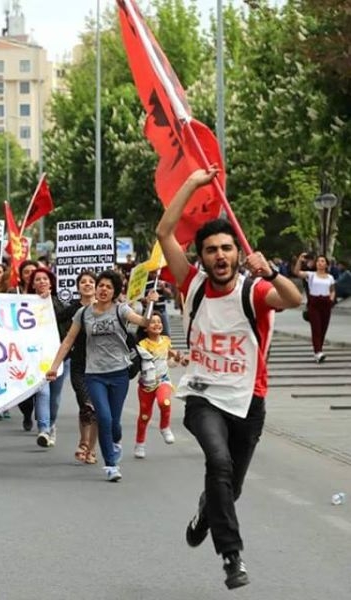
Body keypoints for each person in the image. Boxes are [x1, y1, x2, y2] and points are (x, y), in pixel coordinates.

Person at [157, 167, 301, 590]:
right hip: (204, 396)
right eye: (211, 250)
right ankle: (232, 557)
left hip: (248, 401)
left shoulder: (253, 290)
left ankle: (207, 513)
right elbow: (165, 232)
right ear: (199, 256)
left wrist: (271, 272)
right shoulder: (192, 285)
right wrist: (194, 183)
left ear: (237, 254)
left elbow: (292, 299)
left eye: (226, 249)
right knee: (217, 463)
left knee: (228, 487)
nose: (219, 256)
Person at [45, 269, 154, 482]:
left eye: (108, 287)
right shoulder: (83, 313)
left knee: (114, 422)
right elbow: (68, 341)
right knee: (102, 417)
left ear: (114, 291)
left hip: (119, 373)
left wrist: (150, 303)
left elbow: (145, 323)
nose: (103, 289)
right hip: (94, 373)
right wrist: (54, 366)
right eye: (101, 285)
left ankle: (115, 442)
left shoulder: (121, 310)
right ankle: (111, 465)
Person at [133, 312, 187, 459]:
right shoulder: (141, 345)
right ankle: (140, 444)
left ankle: (164, 427)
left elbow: (169, 361)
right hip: (146, 383)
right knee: (144, 416)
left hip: (163, 380)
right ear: (145, 327)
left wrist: (177, 359)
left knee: (165, 402)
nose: (157, 324)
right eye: (152, 322)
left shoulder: (166, 340)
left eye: (159, 322)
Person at [26, 267, 69, 449]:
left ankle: (51, 425)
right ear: (33, 284)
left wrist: (50, 302)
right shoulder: (25, 305)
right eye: (38, 279)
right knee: (42, 391)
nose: (42, 282)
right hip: (36, 357)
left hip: (60, 356)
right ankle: (43, 429)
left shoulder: (59, 302)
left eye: (45, 279)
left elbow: (65, 320)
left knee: (55, 396)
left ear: (51, 283)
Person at [65, 271, 99, 464]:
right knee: (85, 404)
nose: (87, 285)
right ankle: (84, 442)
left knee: (96, 407)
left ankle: (91, 449)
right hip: (78, 364)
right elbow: (50, 317)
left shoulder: (105, 308)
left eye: (91, 282)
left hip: (100, 365)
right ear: (78, 287)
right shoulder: (73, 310)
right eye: (83, 282)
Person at [293, 253, 336, 362]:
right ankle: (318, 352)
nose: (320, 263)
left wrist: (331, 299)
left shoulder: (330, 277)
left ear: (326, 264)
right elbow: (296, 272)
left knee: (323, 328)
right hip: (314, 303)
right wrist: (299, 260)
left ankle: (319, 350)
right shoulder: (311, 275)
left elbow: (332, 290)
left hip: (326, 303)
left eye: (322, 261)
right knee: (316, 328)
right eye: (318, 261)